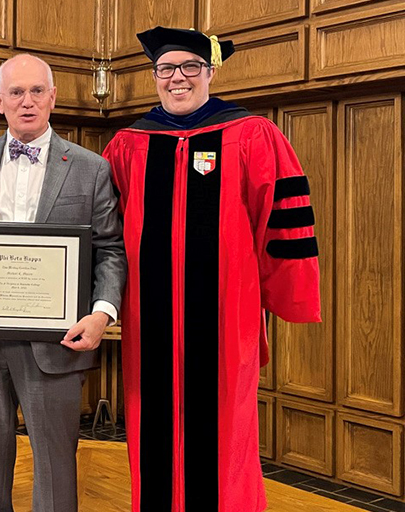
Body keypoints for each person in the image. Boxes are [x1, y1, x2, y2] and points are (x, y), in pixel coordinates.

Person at [102, 27, 321, 512]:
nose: (177, 78)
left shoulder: (251, 133)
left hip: (227, 315)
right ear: (154, 75)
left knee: (226, 425)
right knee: (151, 424)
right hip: (149, 318)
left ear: (210, 72)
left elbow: (282, 219)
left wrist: (280, 295)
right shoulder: (128, 144)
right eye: (166, 69)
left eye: (189, 68)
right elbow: (103, 229)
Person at [0, 54, 126, 512]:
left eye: (37, 91)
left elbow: (112, 251)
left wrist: (103, 314)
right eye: (16, 93)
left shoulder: (90, 167)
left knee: (56, 467)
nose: (27, 101)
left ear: (53, 97)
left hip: (56, 342)